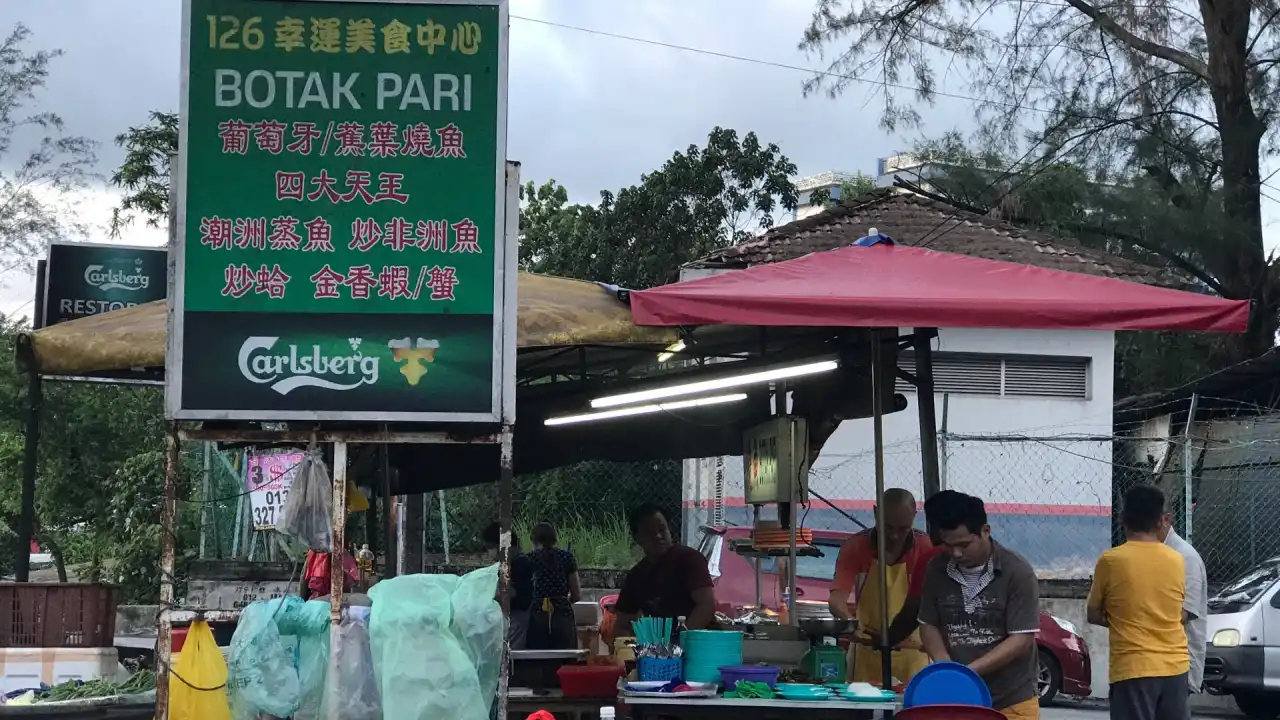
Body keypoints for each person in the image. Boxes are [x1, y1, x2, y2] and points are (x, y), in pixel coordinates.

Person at [918, 490, 1041, 720]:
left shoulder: (1017, 572)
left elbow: (1021, 639)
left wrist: (968, 672)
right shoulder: (936, 568)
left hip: (1011, 699)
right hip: (956, 698)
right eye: (948, 545)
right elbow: (928, 623)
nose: (956, 553)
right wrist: (945, 664)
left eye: (964, 545)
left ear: (985, 531)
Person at [1087, 486, 1190, 720]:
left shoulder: (1111, 561)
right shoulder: (1177, 560)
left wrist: (1124, 620)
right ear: (1160, 521)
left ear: (1122, 519)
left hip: (1133, 669)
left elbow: (1093, 613)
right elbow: (1175, 611)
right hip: (1176, 668)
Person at [829, 488, 933, 684]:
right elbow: (836, 600)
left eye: (902, 528)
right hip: (867, 649)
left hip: (914, 652)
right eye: (887, 527)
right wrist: (851, 623)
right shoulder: (855, 547)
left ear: (914, 516)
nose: (894, 536)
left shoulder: (926, 547)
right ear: (876, 513)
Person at [611, 503, 717, 643]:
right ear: (637, 538)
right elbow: (622, 624)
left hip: (699, 645)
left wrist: (679, 642)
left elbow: (707, 605)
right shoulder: (636, 576)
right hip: (658, 650)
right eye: (650, 532)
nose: (658, 536)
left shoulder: (690, 559)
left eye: (662, 529)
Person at [1157, 507, 1208, 695]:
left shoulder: (1186, 558)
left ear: (1166, 520)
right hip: (1160, 662)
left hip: (1179, 663)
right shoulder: (1158, 553)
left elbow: (1184, 614)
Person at [524, 522, 582, 650]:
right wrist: (562, 601)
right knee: (566, 660)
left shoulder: (529, 559)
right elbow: (577, 594)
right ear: (554, 539)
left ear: (533, 540)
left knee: (538, 661)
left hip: (538, 614)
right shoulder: (567, 557)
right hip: (562, 613)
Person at [483, 521, 533, 650]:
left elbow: (513, 593)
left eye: (490, 546)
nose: (490, 552)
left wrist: (490, 594)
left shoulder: (519, 563)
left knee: (510, 656)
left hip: (518, 617)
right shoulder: (512, 563)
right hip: (513, 617)